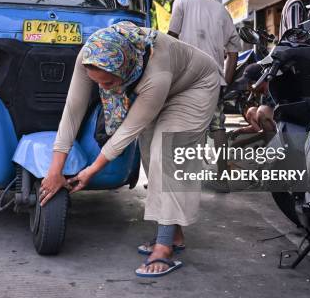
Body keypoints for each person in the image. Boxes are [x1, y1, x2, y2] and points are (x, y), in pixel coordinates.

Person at [40, 22, 221, 277]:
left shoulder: (156, 74)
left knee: (166, 154)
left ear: (124, 68)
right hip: (159, 84)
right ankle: (174, 233)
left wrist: (91, 170)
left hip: (195, 87)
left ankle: (164, 247)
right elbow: (73, 111)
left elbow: (126, 133)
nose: (104, 88)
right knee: (149, 153)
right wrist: (54, 170)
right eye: (98, 83)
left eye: (109, 81)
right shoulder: (91, 54)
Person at [167, 0, 241, 191]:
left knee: (179, 125)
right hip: (213, 80)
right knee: (218, 127)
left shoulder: (182, 2)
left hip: (185, 79)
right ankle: (222, 179)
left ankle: (177, 178)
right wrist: (225, 81)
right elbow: (234, 51)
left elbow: (170, 40)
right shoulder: (222, 11)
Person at [232, 64, 276, 141]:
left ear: (260, 81)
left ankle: (274, 147)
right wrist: (241, 131)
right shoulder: (263, 96)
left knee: (262, 111)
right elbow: (264, 125)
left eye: (249, 83)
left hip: (284, 126)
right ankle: (266, 141)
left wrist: (247, 141)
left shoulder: (272, 91)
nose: (247, 87)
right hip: (274, 125)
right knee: (251, 112)